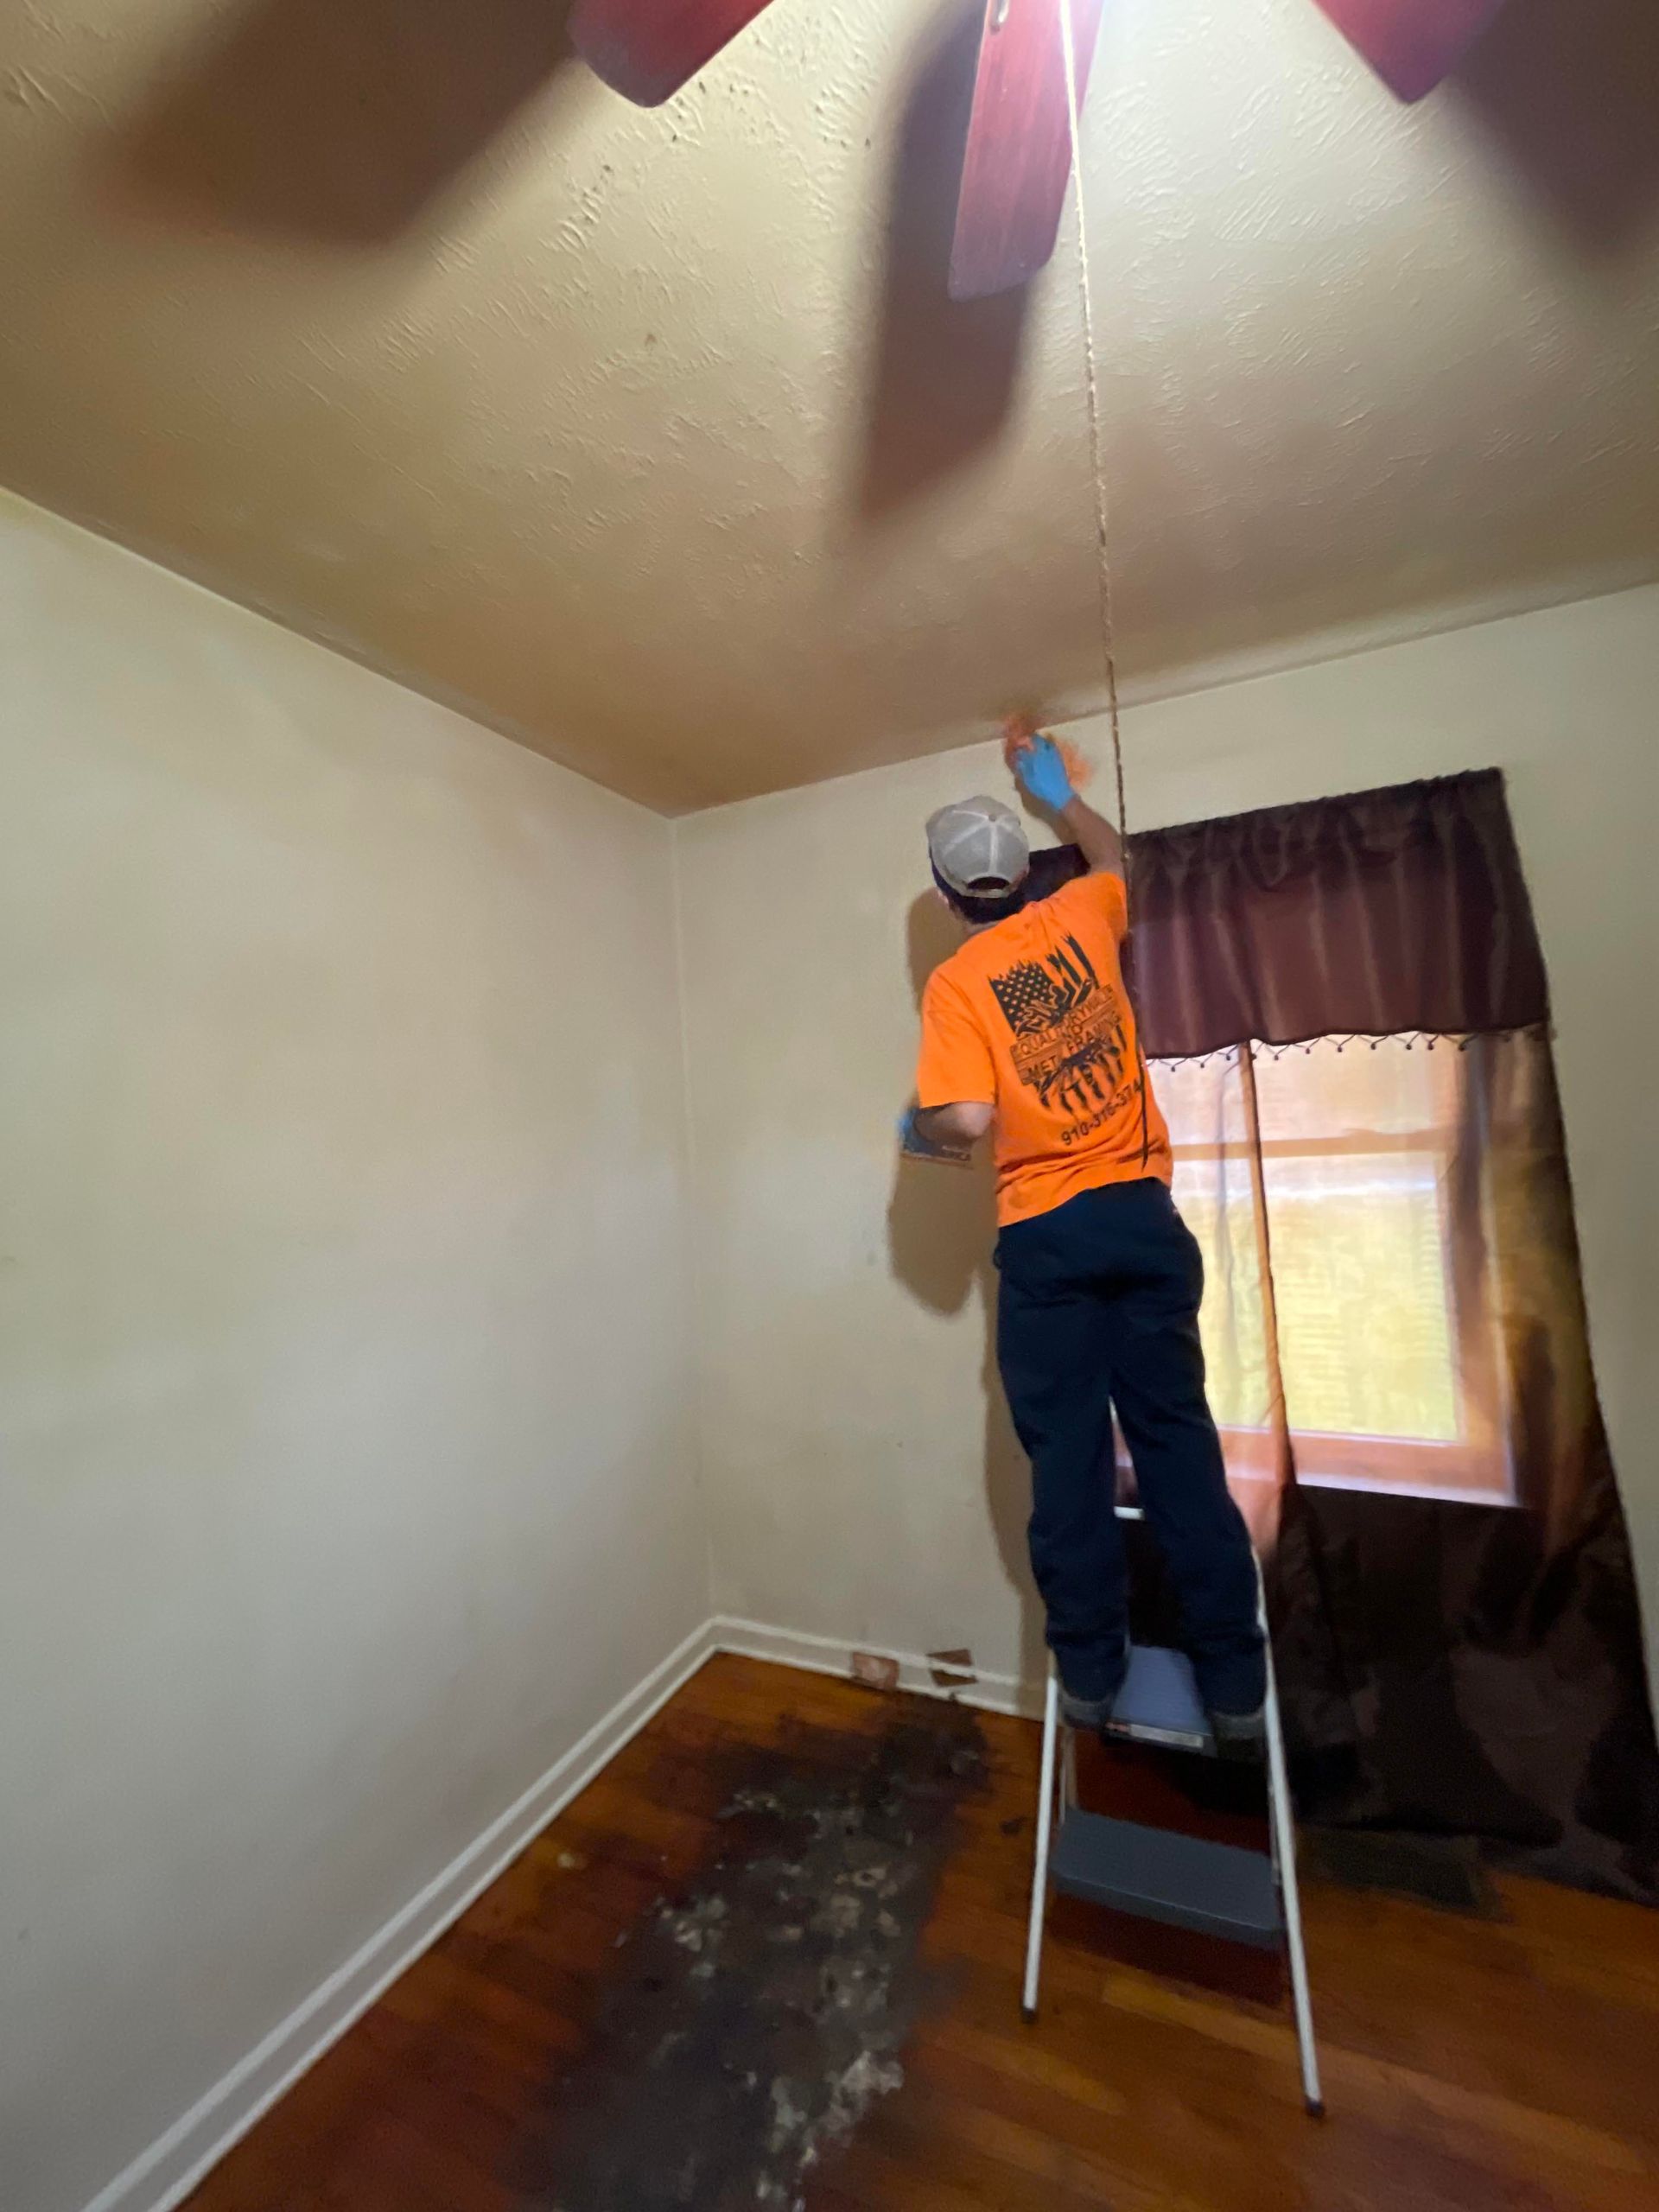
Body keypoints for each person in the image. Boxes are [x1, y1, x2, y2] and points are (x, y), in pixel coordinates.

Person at [901, 734, 1266, 1746]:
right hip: (1144, 1220)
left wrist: (921, 1122)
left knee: (1068, 1465)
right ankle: (1236, 1684)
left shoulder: (957, 983)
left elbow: (968, 1122)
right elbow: (1117, 862)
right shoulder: (1081, 912)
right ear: (1024, 877)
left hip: (1050, 1238)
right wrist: (1059, 797)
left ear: (945, 899)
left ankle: (1094, 1677)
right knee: (1178, 1451)